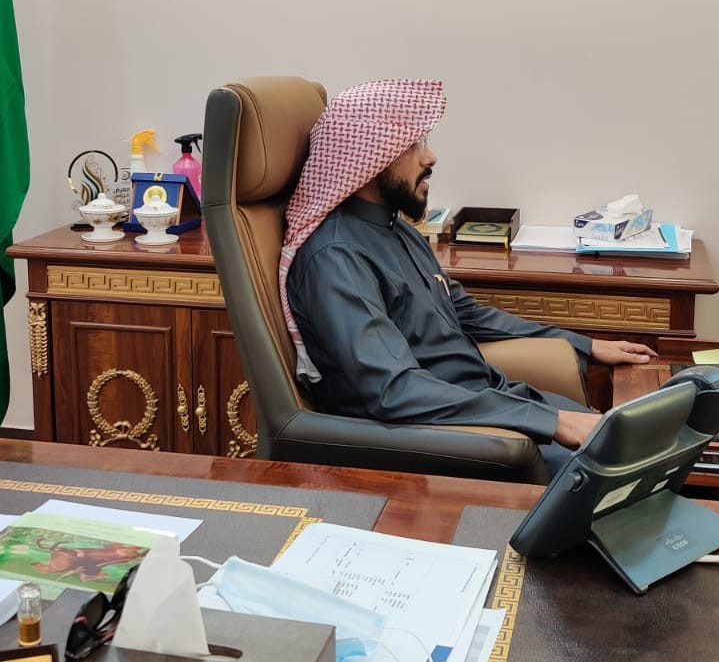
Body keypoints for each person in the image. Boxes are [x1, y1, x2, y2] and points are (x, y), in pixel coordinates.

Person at [280, 80, 655, 477]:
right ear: (370, 158)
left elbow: (468, 314)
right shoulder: (337, 258)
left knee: (633, 441)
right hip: (442, 434)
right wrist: (550, 421)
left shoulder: (396, 229)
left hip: (482, 400)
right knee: (617, 468)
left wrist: (585, 344)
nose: (431, 157)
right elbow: (394, 390)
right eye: (413, 146)